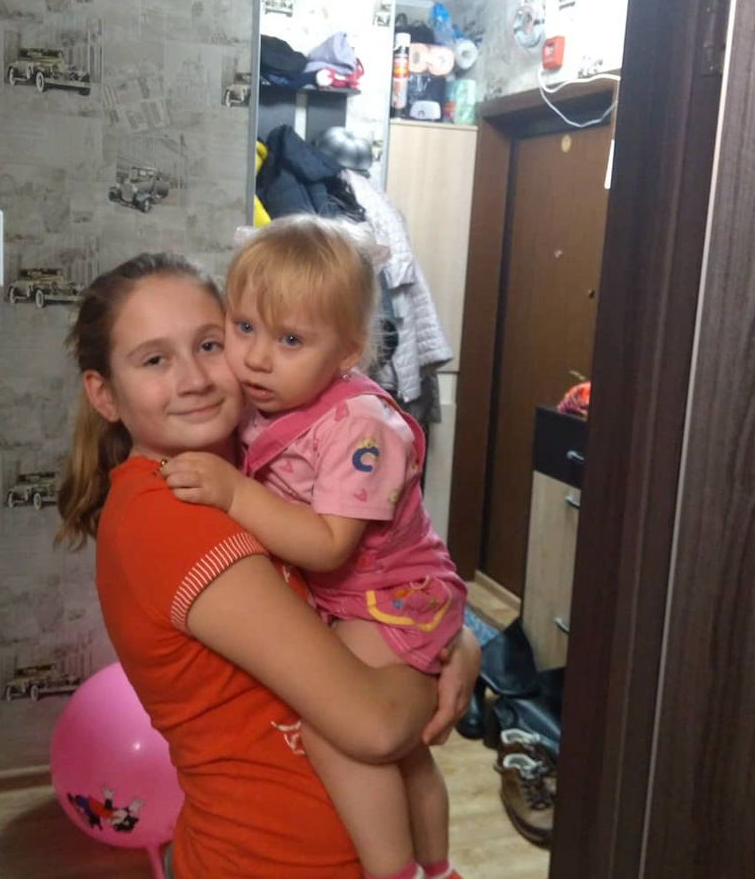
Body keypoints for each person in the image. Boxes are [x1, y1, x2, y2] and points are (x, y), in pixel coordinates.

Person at [55, 251, 481, 879]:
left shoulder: (269, 468)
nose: (196, 379)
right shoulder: (172, 513)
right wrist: (438, 664)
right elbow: (376, 725)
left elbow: (373, 575)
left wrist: (454, 639)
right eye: (154, 360)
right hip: (274, 860)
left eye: (209, 344)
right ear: (104, 394)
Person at [160, 217, 469, 879]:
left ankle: (395, 872)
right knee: (408, 752)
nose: (256, 358)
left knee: (337, 733)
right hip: (358, 599)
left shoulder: (361, 427)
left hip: (392, 597)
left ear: (347, 352)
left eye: (291, 339)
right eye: (244, 327)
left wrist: (234, 494)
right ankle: (440, 869)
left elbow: (329, 545)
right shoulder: (267, 398)